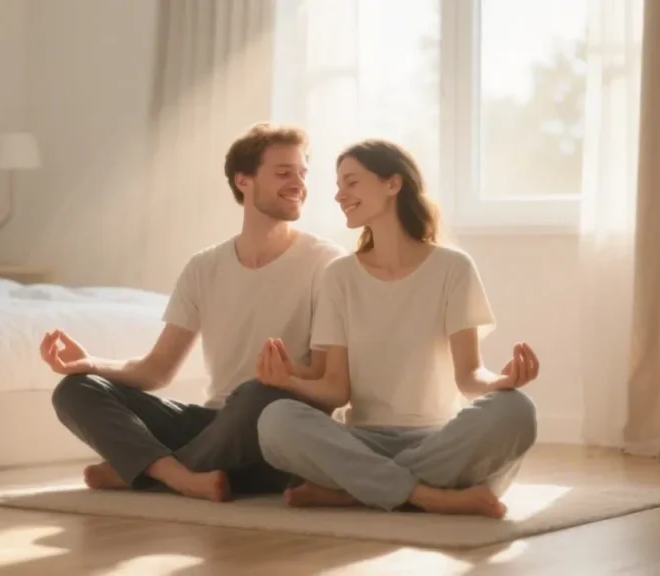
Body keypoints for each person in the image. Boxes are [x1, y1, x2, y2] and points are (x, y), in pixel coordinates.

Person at [43, 122, 345, 502]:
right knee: (75, 390)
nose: (298, 183)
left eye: (302, 173)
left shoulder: (327, 263)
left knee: (259, 394)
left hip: (279, 426)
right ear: (243, 181)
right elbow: (156, 370)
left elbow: (326, 384)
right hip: (214, 423)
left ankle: (148, 472)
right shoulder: (205, 267)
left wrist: (286, 378)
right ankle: (182, 474)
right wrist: (91, 363)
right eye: (284, 173)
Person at [254, 138, 540, 518]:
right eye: (338, 185)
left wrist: (500, 383)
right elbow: (336, 389)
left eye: (351, 182)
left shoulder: (452, 268)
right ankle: (429, 495)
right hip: (362, 441)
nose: (339, 195)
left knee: (516, 410)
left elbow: (470, 376)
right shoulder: (339, 276)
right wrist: (287, 381)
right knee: (276, 420)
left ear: (393, 183)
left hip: (441, 440)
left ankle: (358, 492)